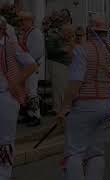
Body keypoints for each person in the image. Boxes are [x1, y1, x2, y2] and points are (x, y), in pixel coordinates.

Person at [57, 16, 108, 180]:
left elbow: (75, 83)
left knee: (74, 151)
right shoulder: (109, 51)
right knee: (96, 152)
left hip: (85, 104)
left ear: (89, 31)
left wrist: (64, 108)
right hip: (105, 104)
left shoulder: (82, 50)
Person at [0, 16, 37, 180]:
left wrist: (15, 82)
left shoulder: (11, 45)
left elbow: (32, 65)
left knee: (6, 139)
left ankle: (4, 174)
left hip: (6, 96)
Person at [17, 11, 45, 127]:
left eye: (24, 20)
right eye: (21, 20)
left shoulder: (35, 33)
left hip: (31, 67)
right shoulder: (25, 32)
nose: (22, 23)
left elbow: (36, 51)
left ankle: (36, 116)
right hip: (25, 67)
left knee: (32, 92)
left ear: (30, 21)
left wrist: (27, 62)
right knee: (26, 92)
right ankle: (29, 114)